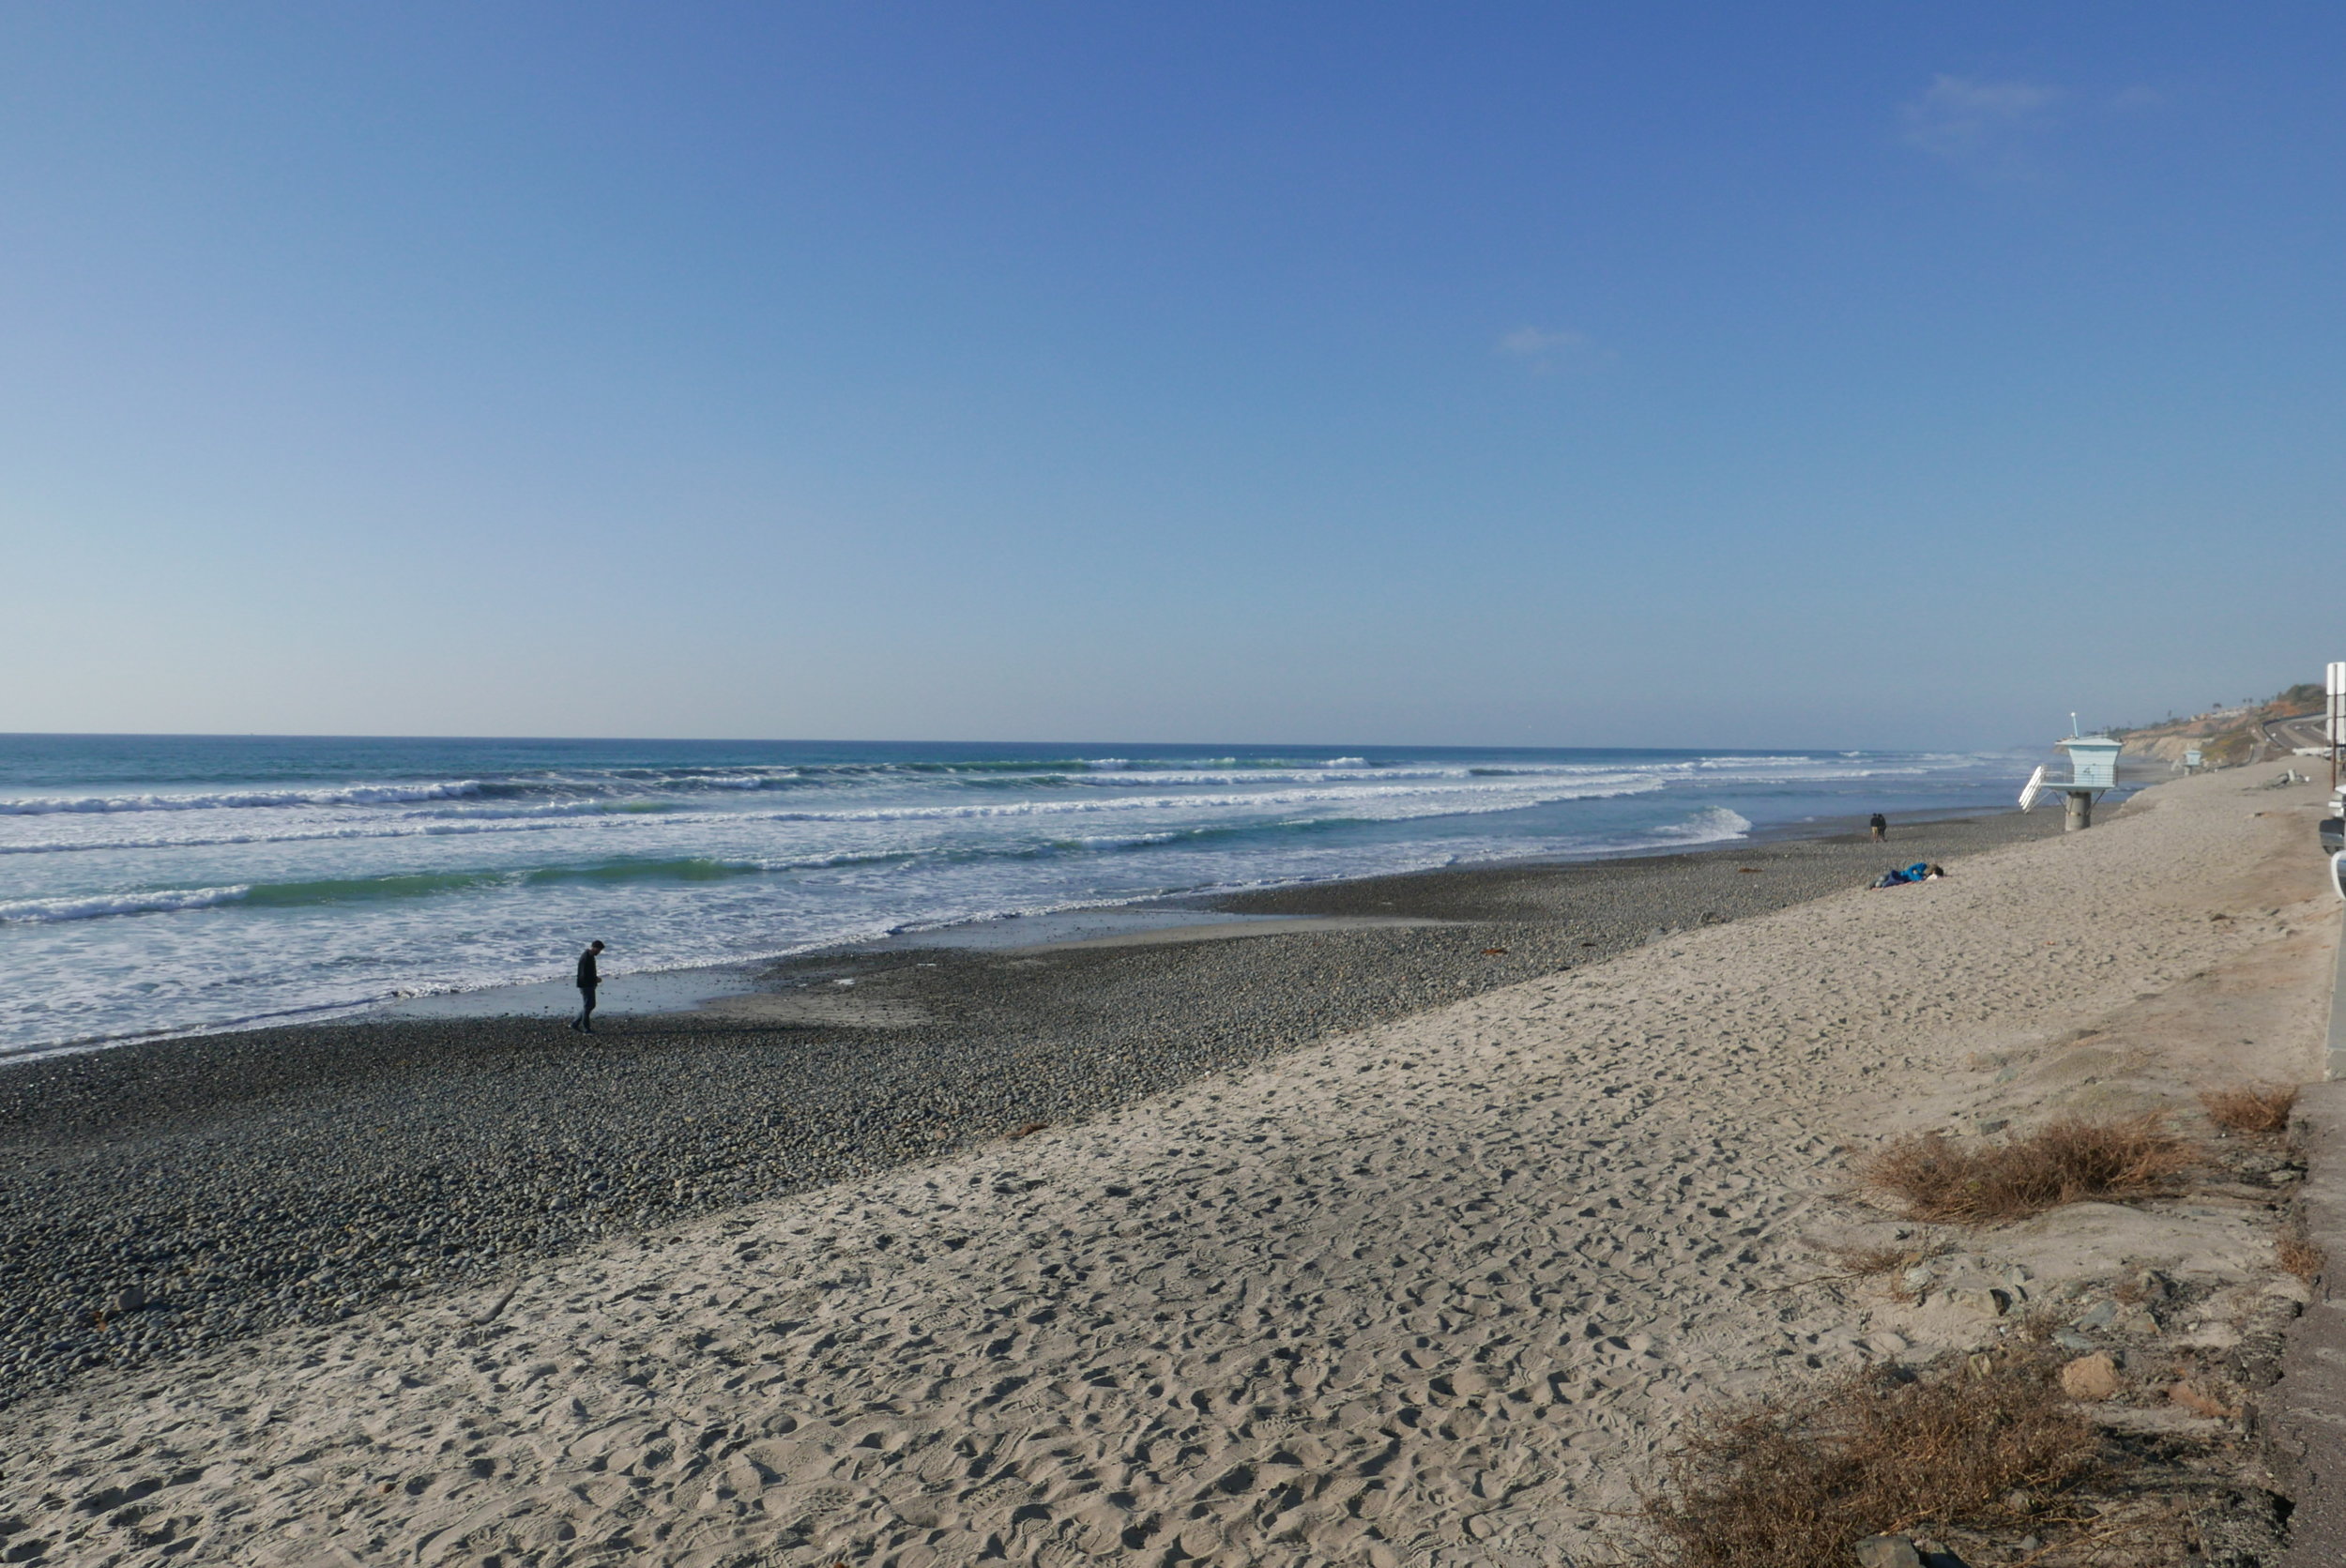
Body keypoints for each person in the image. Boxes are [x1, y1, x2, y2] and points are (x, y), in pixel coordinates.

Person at [571, 939, 606, 1033]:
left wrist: (594, 979)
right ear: (594, 948)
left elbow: (589, 972)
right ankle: (586, 1028)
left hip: (588, 984)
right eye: (599, 950)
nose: (599, 952)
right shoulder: (587, 957)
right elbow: (584, 974)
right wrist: (595, 979)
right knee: (588, 1006)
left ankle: (575, 1023)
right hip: (585, 985)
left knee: (590, 1005)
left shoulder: (589, 956)